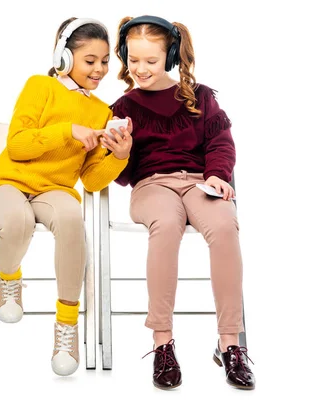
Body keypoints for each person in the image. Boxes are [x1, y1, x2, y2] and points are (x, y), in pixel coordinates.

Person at [110, 15, 255, 390]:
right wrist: (120, 153)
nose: (140, 69)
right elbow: (119, 173)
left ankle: (230, 343)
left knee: (225, 226)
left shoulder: (199, 96)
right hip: (152, 186)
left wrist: (217, 175)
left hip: (198, 183)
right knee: (166, 227)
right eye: (133, 59)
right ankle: (162, 342)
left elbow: (221, 141)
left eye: (151, 61)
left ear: (171, 56)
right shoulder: (123, 107)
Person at [0, 17, 132, 376]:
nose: (99, 69)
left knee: (70, 220)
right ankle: (9, 278)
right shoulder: (39, 87)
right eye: (89, 60)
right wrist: (67, 131)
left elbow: (92, 181)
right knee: (17, 220)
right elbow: (17, 146)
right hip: (9, 181)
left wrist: (119, 155)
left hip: (56, 191)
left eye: (104, 61)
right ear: (64, 58)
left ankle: (67, 324)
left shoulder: (102, 111)